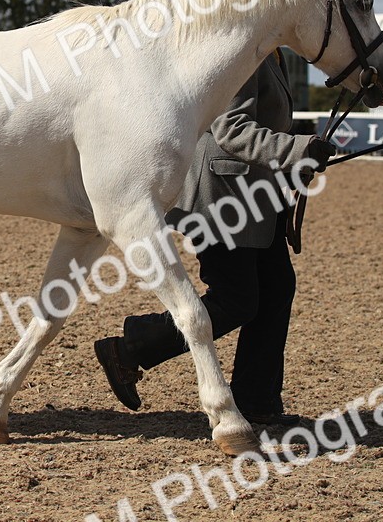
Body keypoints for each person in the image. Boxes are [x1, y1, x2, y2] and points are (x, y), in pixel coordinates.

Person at [94, 49, 335, 425]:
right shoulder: (243, 52)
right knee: (236, 299)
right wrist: (295, 149)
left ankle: (257, 401)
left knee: (276, 288)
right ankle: (130, 348)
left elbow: (266, 124)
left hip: (254, 192)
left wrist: (296, 161)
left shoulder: (272, 51)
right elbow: (231, 129)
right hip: (220, 192)